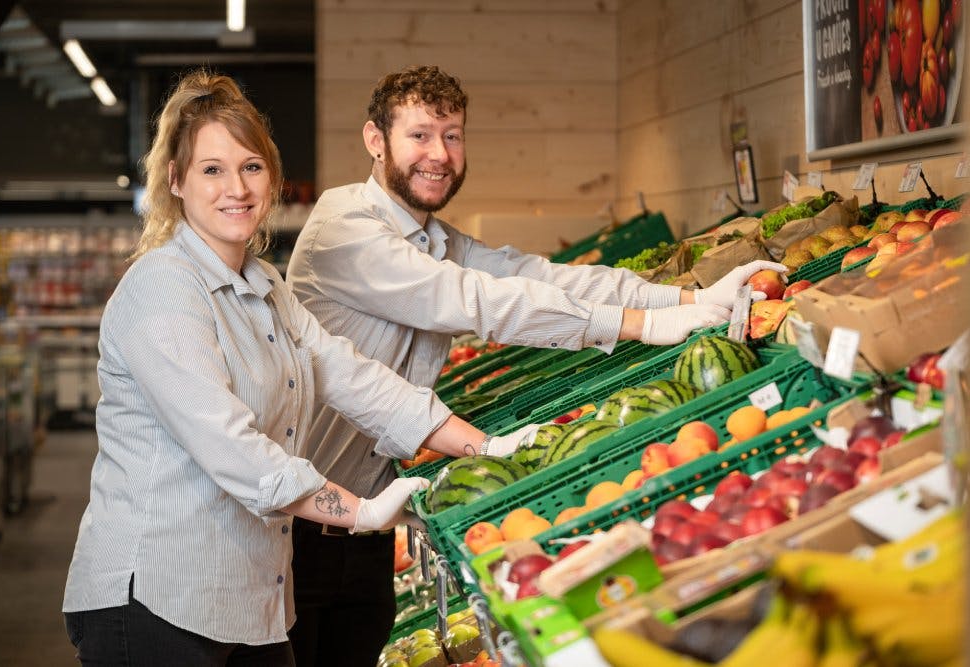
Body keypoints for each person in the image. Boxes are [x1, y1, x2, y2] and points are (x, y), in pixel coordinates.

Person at [284, 64, 785, 666]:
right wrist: (641, 327)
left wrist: (689, 298)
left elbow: (534, 276)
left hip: (370, 526)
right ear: (375, 140)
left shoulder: (435, 237)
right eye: (419, 135)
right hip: (296, 530)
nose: (438, 154)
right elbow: (477, 301)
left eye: (452, 135)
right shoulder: (343, 231)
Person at [61, 70, 519, 667]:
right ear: (175, 180)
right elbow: (233, 449)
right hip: (155, 599)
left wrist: (487, 448)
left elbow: (350, 375)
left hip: (250, 598)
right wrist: (362, 511)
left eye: (252, 166)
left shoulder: (266, 285)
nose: (237, 188)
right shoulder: (162, 290)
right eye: (212, 169)